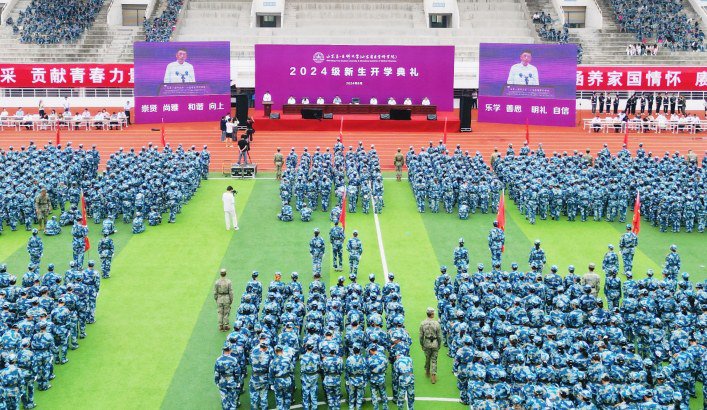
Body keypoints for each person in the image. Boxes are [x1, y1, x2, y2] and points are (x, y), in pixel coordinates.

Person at [419, 307, 441, 384]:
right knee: (434, 360)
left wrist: (421, 344)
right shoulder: (436, 323)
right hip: (435, 343)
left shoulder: (422, 323)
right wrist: (439, 344)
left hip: (426, 343)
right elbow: (439, 336)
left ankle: (427, 371)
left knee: (427, 358)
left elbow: (421, 336)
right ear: (432, 314)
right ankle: (433, 376)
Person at [214, 346, 240, 410]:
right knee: (233, 399)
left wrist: (217, 381)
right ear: (230, 350)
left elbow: (216, 372)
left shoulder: (218, 360)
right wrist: (238, 381)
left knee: (224, 399)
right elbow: (237, 372)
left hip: (222, 381)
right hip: (232, 381)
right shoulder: (234, 359)